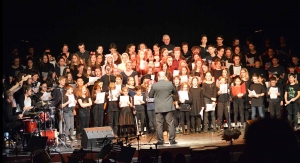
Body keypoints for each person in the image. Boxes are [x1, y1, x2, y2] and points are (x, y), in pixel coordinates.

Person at [149, 71, 177, 145]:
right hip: (168, 106)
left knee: (159, 124)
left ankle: (160, 141)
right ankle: (172, 140)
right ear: (165, 77)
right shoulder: (169, 84)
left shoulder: (154, 85)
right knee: (170, 123)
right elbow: (175, 92)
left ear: (158, 77)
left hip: (159, 107)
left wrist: (156, 95)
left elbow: (150, 95)